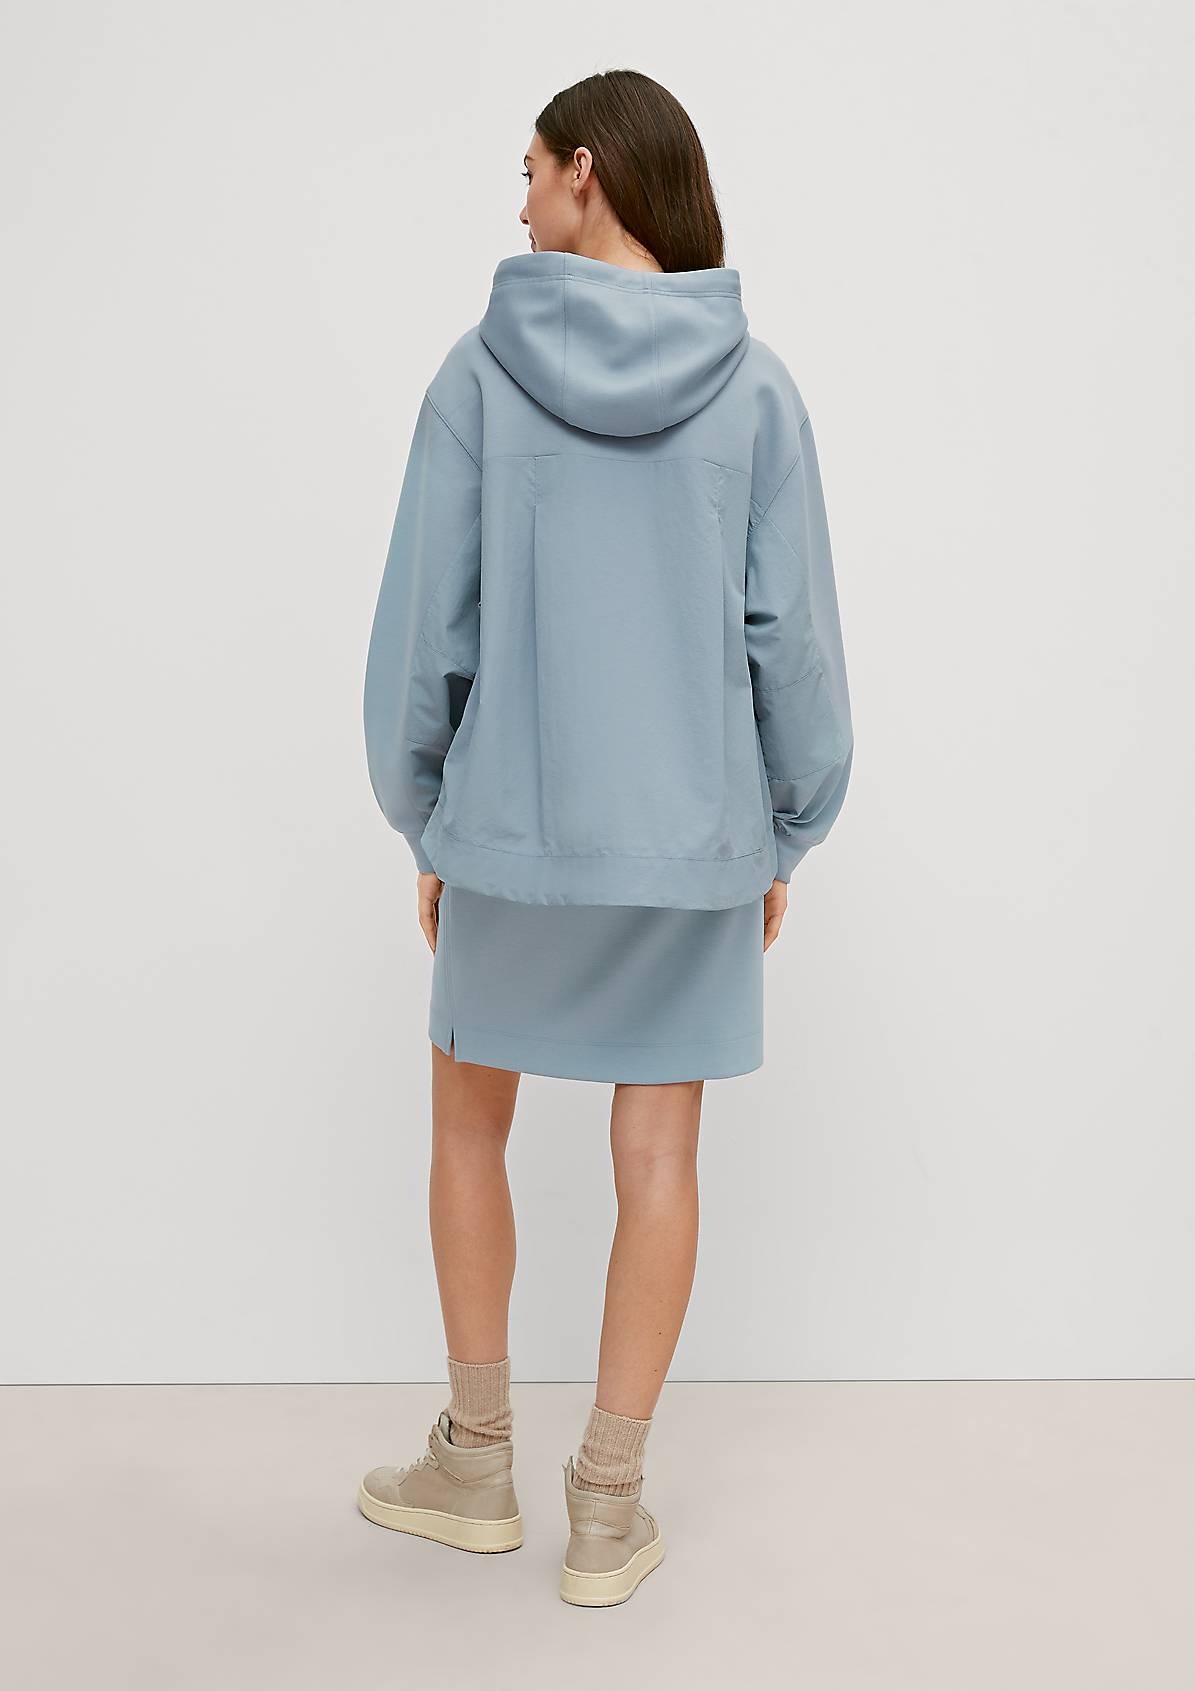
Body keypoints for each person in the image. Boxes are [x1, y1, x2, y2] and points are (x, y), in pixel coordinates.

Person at [358, 69, 854, 1608]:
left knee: (466, 1126)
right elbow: (792, 644)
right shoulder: (756, 390)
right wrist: (783, 831)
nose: (517, 206)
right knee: (660, 1159)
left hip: (510, 836)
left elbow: (425, 629)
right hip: (691, 845)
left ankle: (476, 1465)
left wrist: (426, 814)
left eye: (527, 172)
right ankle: (606, 1506)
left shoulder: (477, 378)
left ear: (588, 171)